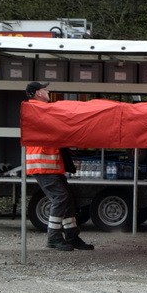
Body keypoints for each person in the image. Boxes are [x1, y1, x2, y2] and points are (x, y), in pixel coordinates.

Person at [24, 81, 93, 251]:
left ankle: (71, 236)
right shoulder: (35, 108)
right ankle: (53, 237)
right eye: (44, 89)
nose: (48, 91)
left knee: (67, 199)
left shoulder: (40, 108)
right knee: (60, 198)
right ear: (37, 93)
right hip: (43, 164)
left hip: (51, 165)